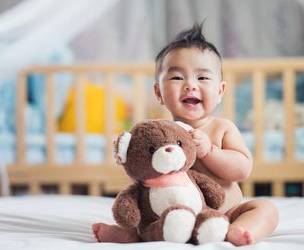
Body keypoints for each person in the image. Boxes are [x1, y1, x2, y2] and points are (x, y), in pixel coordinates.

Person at [93, 23, 278, 246]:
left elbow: (242, 170)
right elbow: (145, 180)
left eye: (202, 78)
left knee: (266, 209)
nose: (190, 85)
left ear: (220, 91)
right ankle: (129, 235)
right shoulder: (156, 135)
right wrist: (129, 157)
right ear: (159, 92)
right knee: (143, 219)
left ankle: (237, 231)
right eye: (177, 78)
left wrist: (210, 151)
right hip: (171, 218)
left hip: (225, 215)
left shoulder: (222, 128)